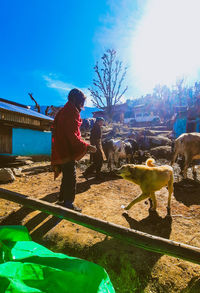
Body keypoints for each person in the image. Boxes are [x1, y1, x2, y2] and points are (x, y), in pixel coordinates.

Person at [51, 88, 96, 212]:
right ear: (76, 100)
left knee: (67, 176)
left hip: (61, 149)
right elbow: (72, 135)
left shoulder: (63, 111)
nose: (82, 105)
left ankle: (61, 200)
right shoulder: (71, 112)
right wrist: (87, 146)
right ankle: (68, 203)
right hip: (67, 150)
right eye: (82, 101)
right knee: (71, 177)